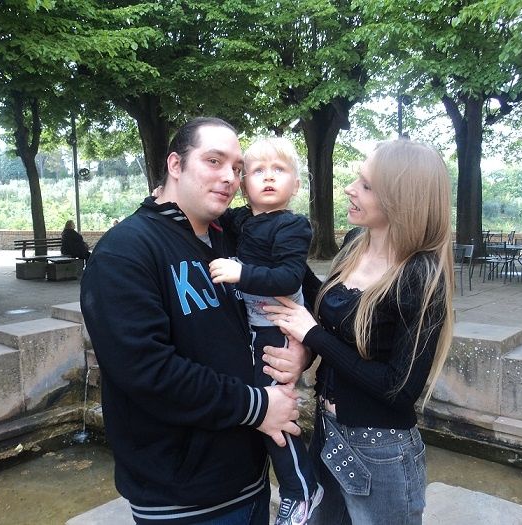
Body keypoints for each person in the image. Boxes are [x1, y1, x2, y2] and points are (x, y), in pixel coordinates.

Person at [80, 117, 309, 525]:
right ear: (175, 164)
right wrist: (257, 406)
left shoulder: (238, 236)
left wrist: (302, 351)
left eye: (237, 168)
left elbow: (311, 298)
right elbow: (147, 371)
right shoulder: (125, 252)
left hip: (252, 480)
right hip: (182, 499)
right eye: (214, 161)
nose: (230, 177)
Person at [264, 139, 455, 524]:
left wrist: (313, 337)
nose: (350, 189)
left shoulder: (420, 275)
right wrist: (284, 258)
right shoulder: (355, 244)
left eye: (366, 185)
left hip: (381, 453)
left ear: (402, 200)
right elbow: (332, 308)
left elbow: (399, 389)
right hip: (327, 431)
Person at [208, 137, 322, 525]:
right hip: (254, 329)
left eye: (279, 170)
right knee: (265, 408)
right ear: (243, 184)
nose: (268, 177)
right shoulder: (241, 220)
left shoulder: (292, 225)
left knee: (275, 412)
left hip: (278, 331)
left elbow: (290, 276)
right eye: (258, 171)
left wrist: (241, 273)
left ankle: (301, 489)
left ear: (296, 185)